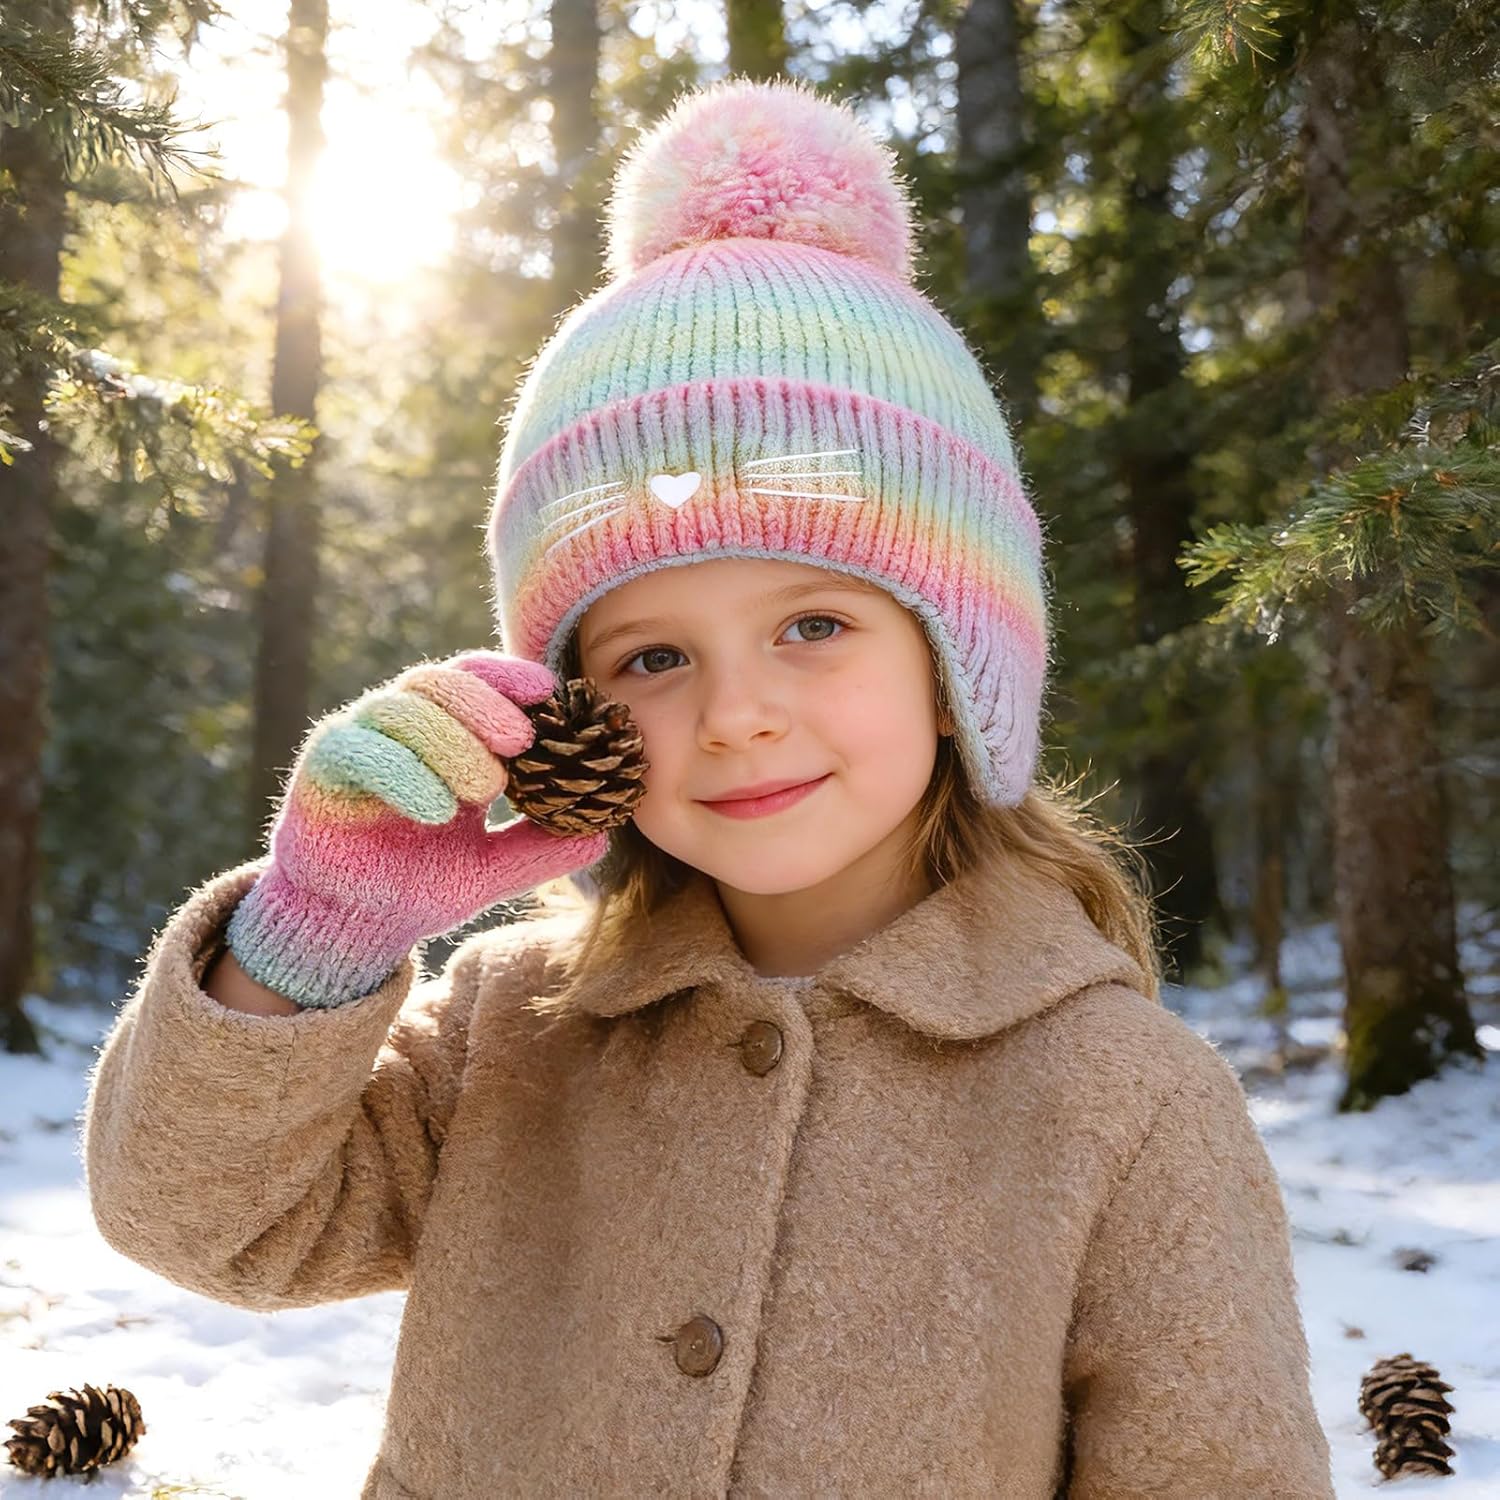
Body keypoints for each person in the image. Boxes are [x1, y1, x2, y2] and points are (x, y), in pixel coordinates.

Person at [80, 75, 1335, 1498]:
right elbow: (202, 1224)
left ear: (955, 661)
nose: (736, 715)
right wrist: (312, 941)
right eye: (654, 654)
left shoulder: (1125, 1099)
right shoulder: (510, 1029)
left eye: (816, 625)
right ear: (569, 714)